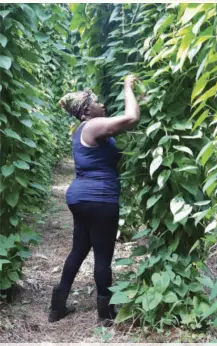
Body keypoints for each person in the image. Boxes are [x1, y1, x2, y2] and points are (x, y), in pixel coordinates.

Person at [48, 75, 140, 325]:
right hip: (99, 199)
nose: (103, 105)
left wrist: (137, 99)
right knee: (103, 255)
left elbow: (125, 118)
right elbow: (131, 119)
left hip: (81, 198)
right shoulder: (92, 126)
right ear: (87, 110)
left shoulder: (83, 130)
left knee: (79, 250)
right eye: (98, 101)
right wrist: (127, 86)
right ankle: (106, 315)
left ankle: (57, 307)